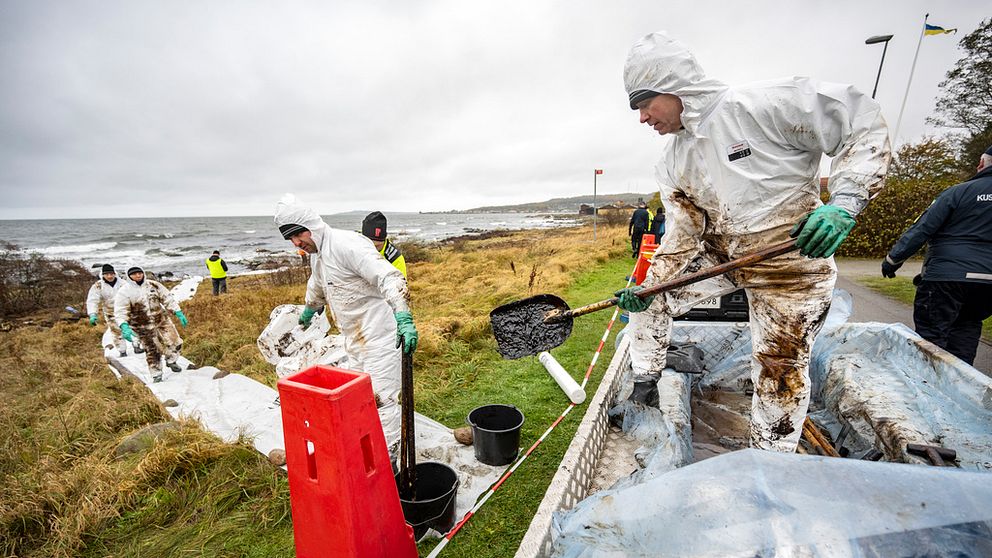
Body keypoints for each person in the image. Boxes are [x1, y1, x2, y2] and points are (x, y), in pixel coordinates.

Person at [616, 32, 890, 452]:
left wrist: (846, 201)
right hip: (724, 255)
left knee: (780, 368)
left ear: (672, 87)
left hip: (792, 260)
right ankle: (644, 382)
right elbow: (684, 230)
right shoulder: (673, 160)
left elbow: (859, 120)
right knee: (651, 299)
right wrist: (652, 281)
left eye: (643, 105)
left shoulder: (761, 106)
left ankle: (770, 461)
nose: (642, 119)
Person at [275, 194, 418, 459]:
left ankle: (390, 464)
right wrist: (309, 309)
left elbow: (389, 277)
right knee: (362, 400)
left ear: (312, 226)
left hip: (381, 338)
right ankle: (371, 452)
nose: (297, 243)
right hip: (354, 340)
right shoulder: (318, 256)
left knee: (382, 401)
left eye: (298, 235)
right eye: (291, 239)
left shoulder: (347, 245)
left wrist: (404, 317)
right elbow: (317, 285)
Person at [881, 145, 992, 365]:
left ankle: (925, 388)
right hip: (988, 284)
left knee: (931, 339)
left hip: (946, 276)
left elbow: (922, 228)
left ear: (981, 164)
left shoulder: (959, 192)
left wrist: (892, 261)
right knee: (967, 330)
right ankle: (960, 387)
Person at [114, 266, 190, 382]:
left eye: (139, 273)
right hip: (142, 326)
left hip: (161, 320)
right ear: (129, 276)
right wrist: (123, 325)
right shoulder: (124, 291)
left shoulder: (153, 285)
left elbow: (167, 298)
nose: (137, 275)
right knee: (152, 350)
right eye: (134, 274)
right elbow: (120, 310)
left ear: (143, 273)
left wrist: (177, 311)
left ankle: (171, 361)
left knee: (175, 342)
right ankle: (156, 374)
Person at [86, 264, 141, 357]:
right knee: (116, 332)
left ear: (115, 273)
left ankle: (136, 346)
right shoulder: (98, 286)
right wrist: (92, 314)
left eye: (111, 274)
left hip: (126, 311)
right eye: (107, 274)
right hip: (110, 313)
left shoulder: (123, 283)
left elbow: (133, 296)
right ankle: (122, 350)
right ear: (102, 275)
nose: (109, 276)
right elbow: (92, 300)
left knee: (133, 328)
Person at [362, 211, 407, 277]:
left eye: (377, 246)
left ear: (384, 239)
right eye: (369, 245)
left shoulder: (395, 259)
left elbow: (401, 285)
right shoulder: (352, 246)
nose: (373, 249)